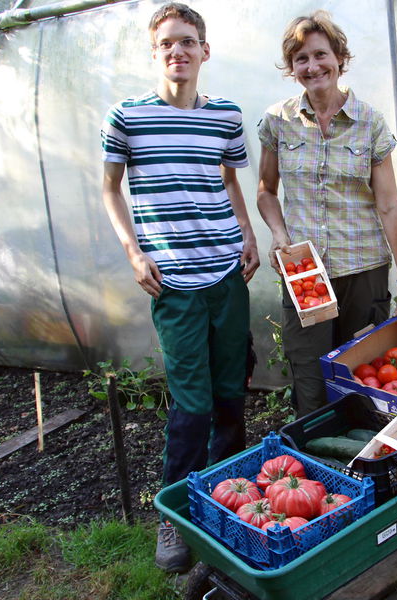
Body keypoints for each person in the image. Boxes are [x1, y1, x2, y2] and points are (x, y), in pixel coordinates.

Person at [100, 2, 259, 573]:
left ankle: (233, 502)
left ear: (204, 51)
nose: (179, 51)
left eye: (188, 41)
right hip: (174, 283)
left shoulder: (225, 116)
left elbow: (230, 179)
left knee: (231, 395)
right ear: (155, 52)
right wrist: (132, 251)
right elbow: (110, 190)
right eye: (168, 43)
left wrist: (247, 234)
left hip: (226, 276)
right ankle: (173, 515)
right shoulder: (127, 117)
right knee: (191, 405)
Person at [257, 10, 397, 418]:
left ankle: (368, 465)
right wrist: (279, 234)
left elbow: (389, 205)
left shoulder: (369, 122)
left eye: (320, 55)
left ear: (339, 58)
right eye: (301, 59)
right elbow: (266, 191)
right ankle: (317, 465)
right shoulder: (278, 121)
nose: (312, 67)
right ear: (292, 68)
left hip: (363, 270)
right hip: (306, 275)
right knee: (309, 378)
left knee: (363, 378)